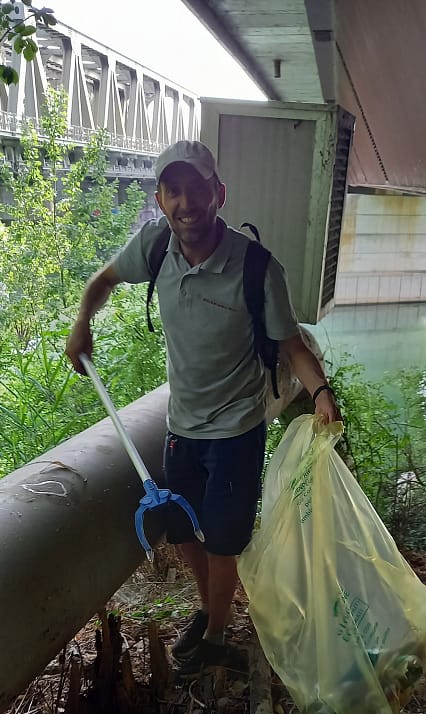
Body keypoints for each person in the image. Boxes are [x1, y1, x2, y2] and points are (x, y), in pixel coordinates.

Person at [66, 139, 341, 673]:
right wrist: (82, 323)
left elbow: (292, 347)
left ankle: (217, 633)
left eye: (197, 189)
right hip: (181, 424)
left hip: (237, 427)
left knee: (223, 536)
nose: (186, 203)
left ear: (219, 193)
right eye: (174, 191)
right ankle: (210, 609)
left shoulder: (257, 267)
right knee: (181, 527)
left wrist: (322, 394)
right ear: (160, 198)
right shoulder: (153, 248)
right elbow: (102, 280)